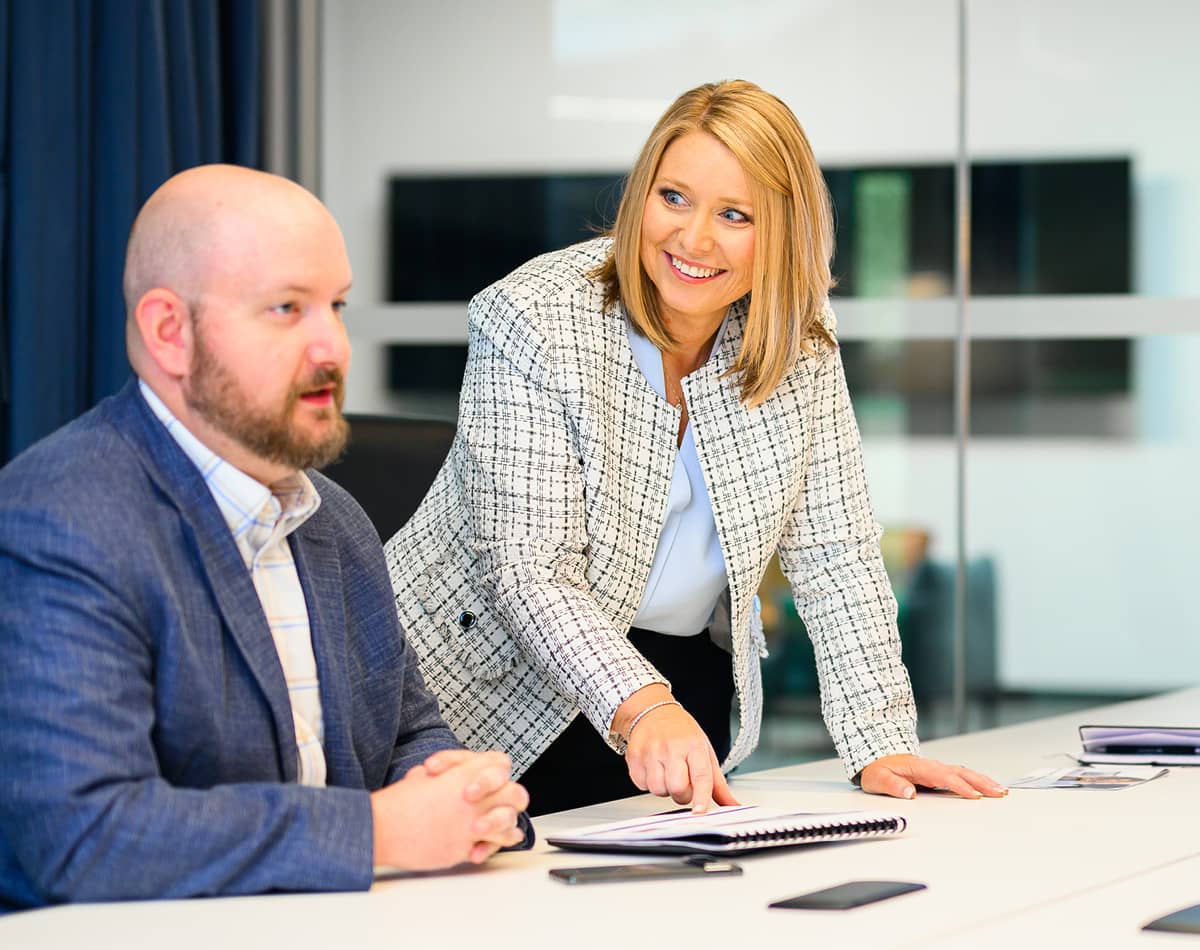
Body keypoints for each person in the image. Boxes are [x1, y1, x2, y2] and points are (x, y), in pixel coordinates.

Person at [384, 80, 1007, 816]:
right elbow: (529, 569)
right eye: (673, 197)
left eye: (735, 215)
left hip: (680, 686)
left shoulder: (799, 338)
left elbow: (836, 551)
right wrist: (642, 703)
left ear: (780, 231)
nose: (694, 238)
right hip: (484, 687)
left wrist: (879, 739)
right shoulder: (534, 316)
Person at [0, 165, 531, 912]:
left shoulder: (336, 521)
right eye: (287, 309)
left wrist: (464, 792)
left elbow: (408, 731)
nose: (333, 349)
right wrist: (379, 832)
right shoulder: (61, 520)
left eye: (337, 306)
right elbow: (83, 834)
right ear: (169, 332)